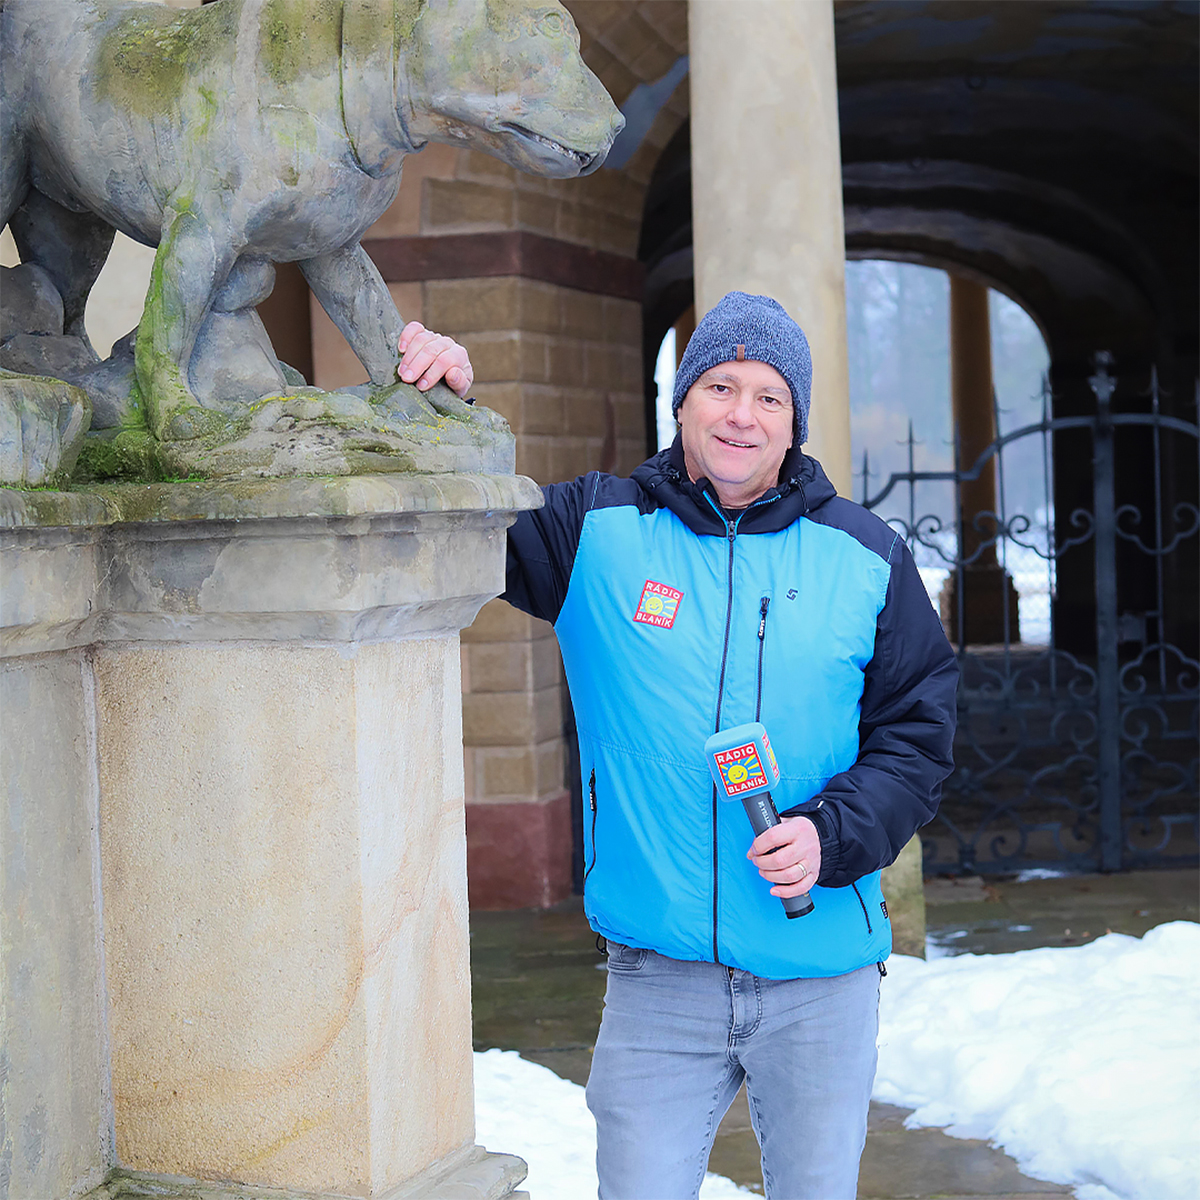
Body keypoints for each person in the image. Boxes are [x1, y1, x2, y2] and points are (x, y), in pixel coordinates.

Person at [396, 292, 958, 1200]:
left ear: (795, 423)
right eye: (722, 386)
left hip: (820, 976)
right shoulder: (595, 530)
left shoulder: (866, 556)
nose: (742, 413)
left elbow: (918, 741)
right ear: (684, 400)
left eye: (770, 396)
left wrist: (831, 835)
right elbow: (461, 523)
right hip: (659, 983)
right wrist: (446, 409)